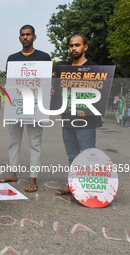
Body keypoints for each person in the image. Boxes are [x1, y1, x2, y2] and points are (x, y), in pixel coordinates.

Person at [0, 25, 51, 193]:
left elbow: (46, 82)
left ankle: (33, 177)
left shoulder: (44, 57)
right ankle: (12, 173)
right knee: (14, 141)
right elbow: (10, 82)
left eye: (28, 34)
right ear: (19, 38)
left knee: (35, 143)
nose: (25, 37)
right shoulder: (12, 59)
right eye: (22, 35)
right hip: (16, 106)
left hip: (35, 106)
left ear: (34, 37)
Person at [56, 34, 102, 195]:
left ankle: (89, 189)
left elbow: (100, 96)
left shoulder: (95, 70)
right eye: (71, 45)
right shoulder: (64, 71)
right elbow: (59, 96)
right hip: (68, 120)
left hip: (86, 122)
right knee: (72, 155)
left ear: (85, 47)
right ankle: (73, 185)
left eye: (77, 45)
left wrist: (88, 109)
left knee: (87, 156)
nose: (73, 48)